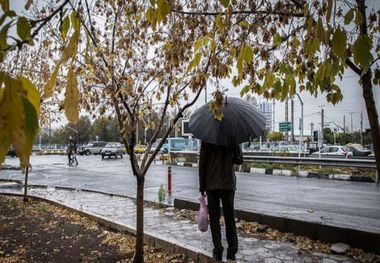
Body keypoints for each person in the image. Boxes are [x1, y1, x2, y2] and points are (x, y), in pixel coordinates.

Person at [199, 141, 243, 261]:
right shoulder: (231, 135)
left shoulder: (207, 138)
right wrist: (235, 145)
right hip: (228, 183)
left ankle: (218, 251)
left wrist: (202, 186)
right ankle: (232, 251)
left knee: (214, 219)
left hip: (211, 183)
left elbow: (202, 162)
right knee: (229, 219)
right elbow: (239, 160)